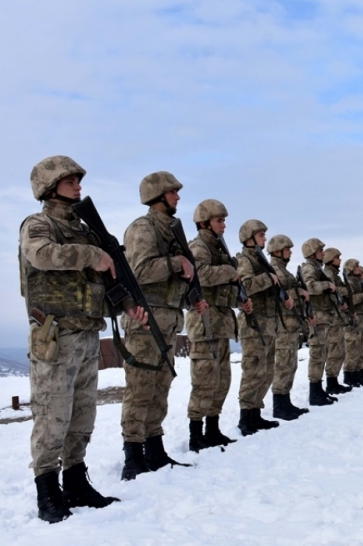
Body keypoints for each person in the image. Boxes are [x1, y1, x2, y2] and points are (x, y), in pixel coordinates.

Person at [20, 156, 147, 523]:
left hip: (87, 332)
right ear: (50, 186)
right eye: (70, 180)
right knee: (52, 414)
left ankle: (75, 481)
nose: (78, 186)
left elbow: (104, 279)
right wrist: (93, 255)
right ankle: (47, 492)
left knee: (82, 415)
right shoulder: (38, 225)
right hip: (55, 334)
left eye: (78, 180)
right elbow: (42, 256)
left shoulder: (85, 229)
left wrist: (126, 304)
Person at [121, 171, 201, 480]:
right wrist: (174, 263)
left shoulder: (169, 230)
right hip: (144, 321)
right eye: (172, 192)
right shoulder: (143, 228)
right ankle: (133, 456)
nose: (178, 197)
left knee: (160, 388)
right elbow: (138, 271)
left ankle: (154, 449)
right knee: (140, 388)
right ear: (157, 196)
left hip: (166, 319)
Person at [185, 200, 254, 448]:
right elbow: (200, 274)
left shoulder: (218, 248)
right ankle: (196, 435)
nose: (224, 226)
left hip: (221, 324)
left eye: (224, 221)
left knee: (222, 381)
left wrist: (240, 302)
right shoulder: (199, 246)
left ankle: (212, 429)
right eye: (219, 221)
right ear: (204, 223)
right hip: (205, 325)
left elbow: (222, 290)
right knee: (204, 381)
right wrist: (229, 271)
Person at [234, 219, 285, 434]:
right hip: (254, 326)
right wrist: (267, 278)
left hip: (267, 325)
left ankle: (255, 413)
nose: (265, 238)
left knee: (266, 372)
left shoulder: (260, 259)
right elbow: (244, 286)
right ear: (249, 237)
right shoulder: (245, 260)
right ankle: (246, 418)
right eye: (261, 235)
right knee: (253, 371)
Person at [266, 234, 311, 419]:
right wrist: (297, 291)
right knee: (283, 365)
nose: (290, 252)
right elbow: (276, 293)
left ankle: (286, 402)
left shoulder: (284, 270)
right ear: (277, 251)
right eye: (287, 249)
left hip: (291, 325)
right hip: (282, 325)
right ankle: (279, 406)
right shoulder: (274, 269)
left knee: (291, 365)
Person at [299, 238, 339, 405]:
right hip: (316, 318)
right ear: (312, 252)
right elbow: (309, 286)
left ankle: (319, 389)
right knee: (317, 355)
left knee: (322, 354)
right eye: (320, 251)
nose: (323, 253)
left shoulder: (317, 268)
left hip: (323, 318)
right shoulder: (308, 268)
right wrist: (327, 286)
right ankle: (314, 393)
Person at [322, 247, 353, 395]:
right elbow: (332, 292)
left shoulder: (335, 274)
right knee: (334, 351)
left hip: (338, 317)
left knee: (339, 351)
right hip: (333, 318)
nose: (340, 260)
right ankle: (331, 383)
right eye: (337, 257)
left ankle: (334, 381)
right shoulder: (328, 273)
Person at [340, 258, 363, 387]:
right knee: (352, 348)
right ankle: (349, 376)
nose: (360, 268)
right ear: (350, 269)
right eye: (357, 266)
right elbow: (348, 300)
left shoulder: (361, 283)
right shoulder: (348, 283)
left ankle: (359, 373)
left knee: (362, 348)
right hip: (353, 319)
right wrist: (362, 297)